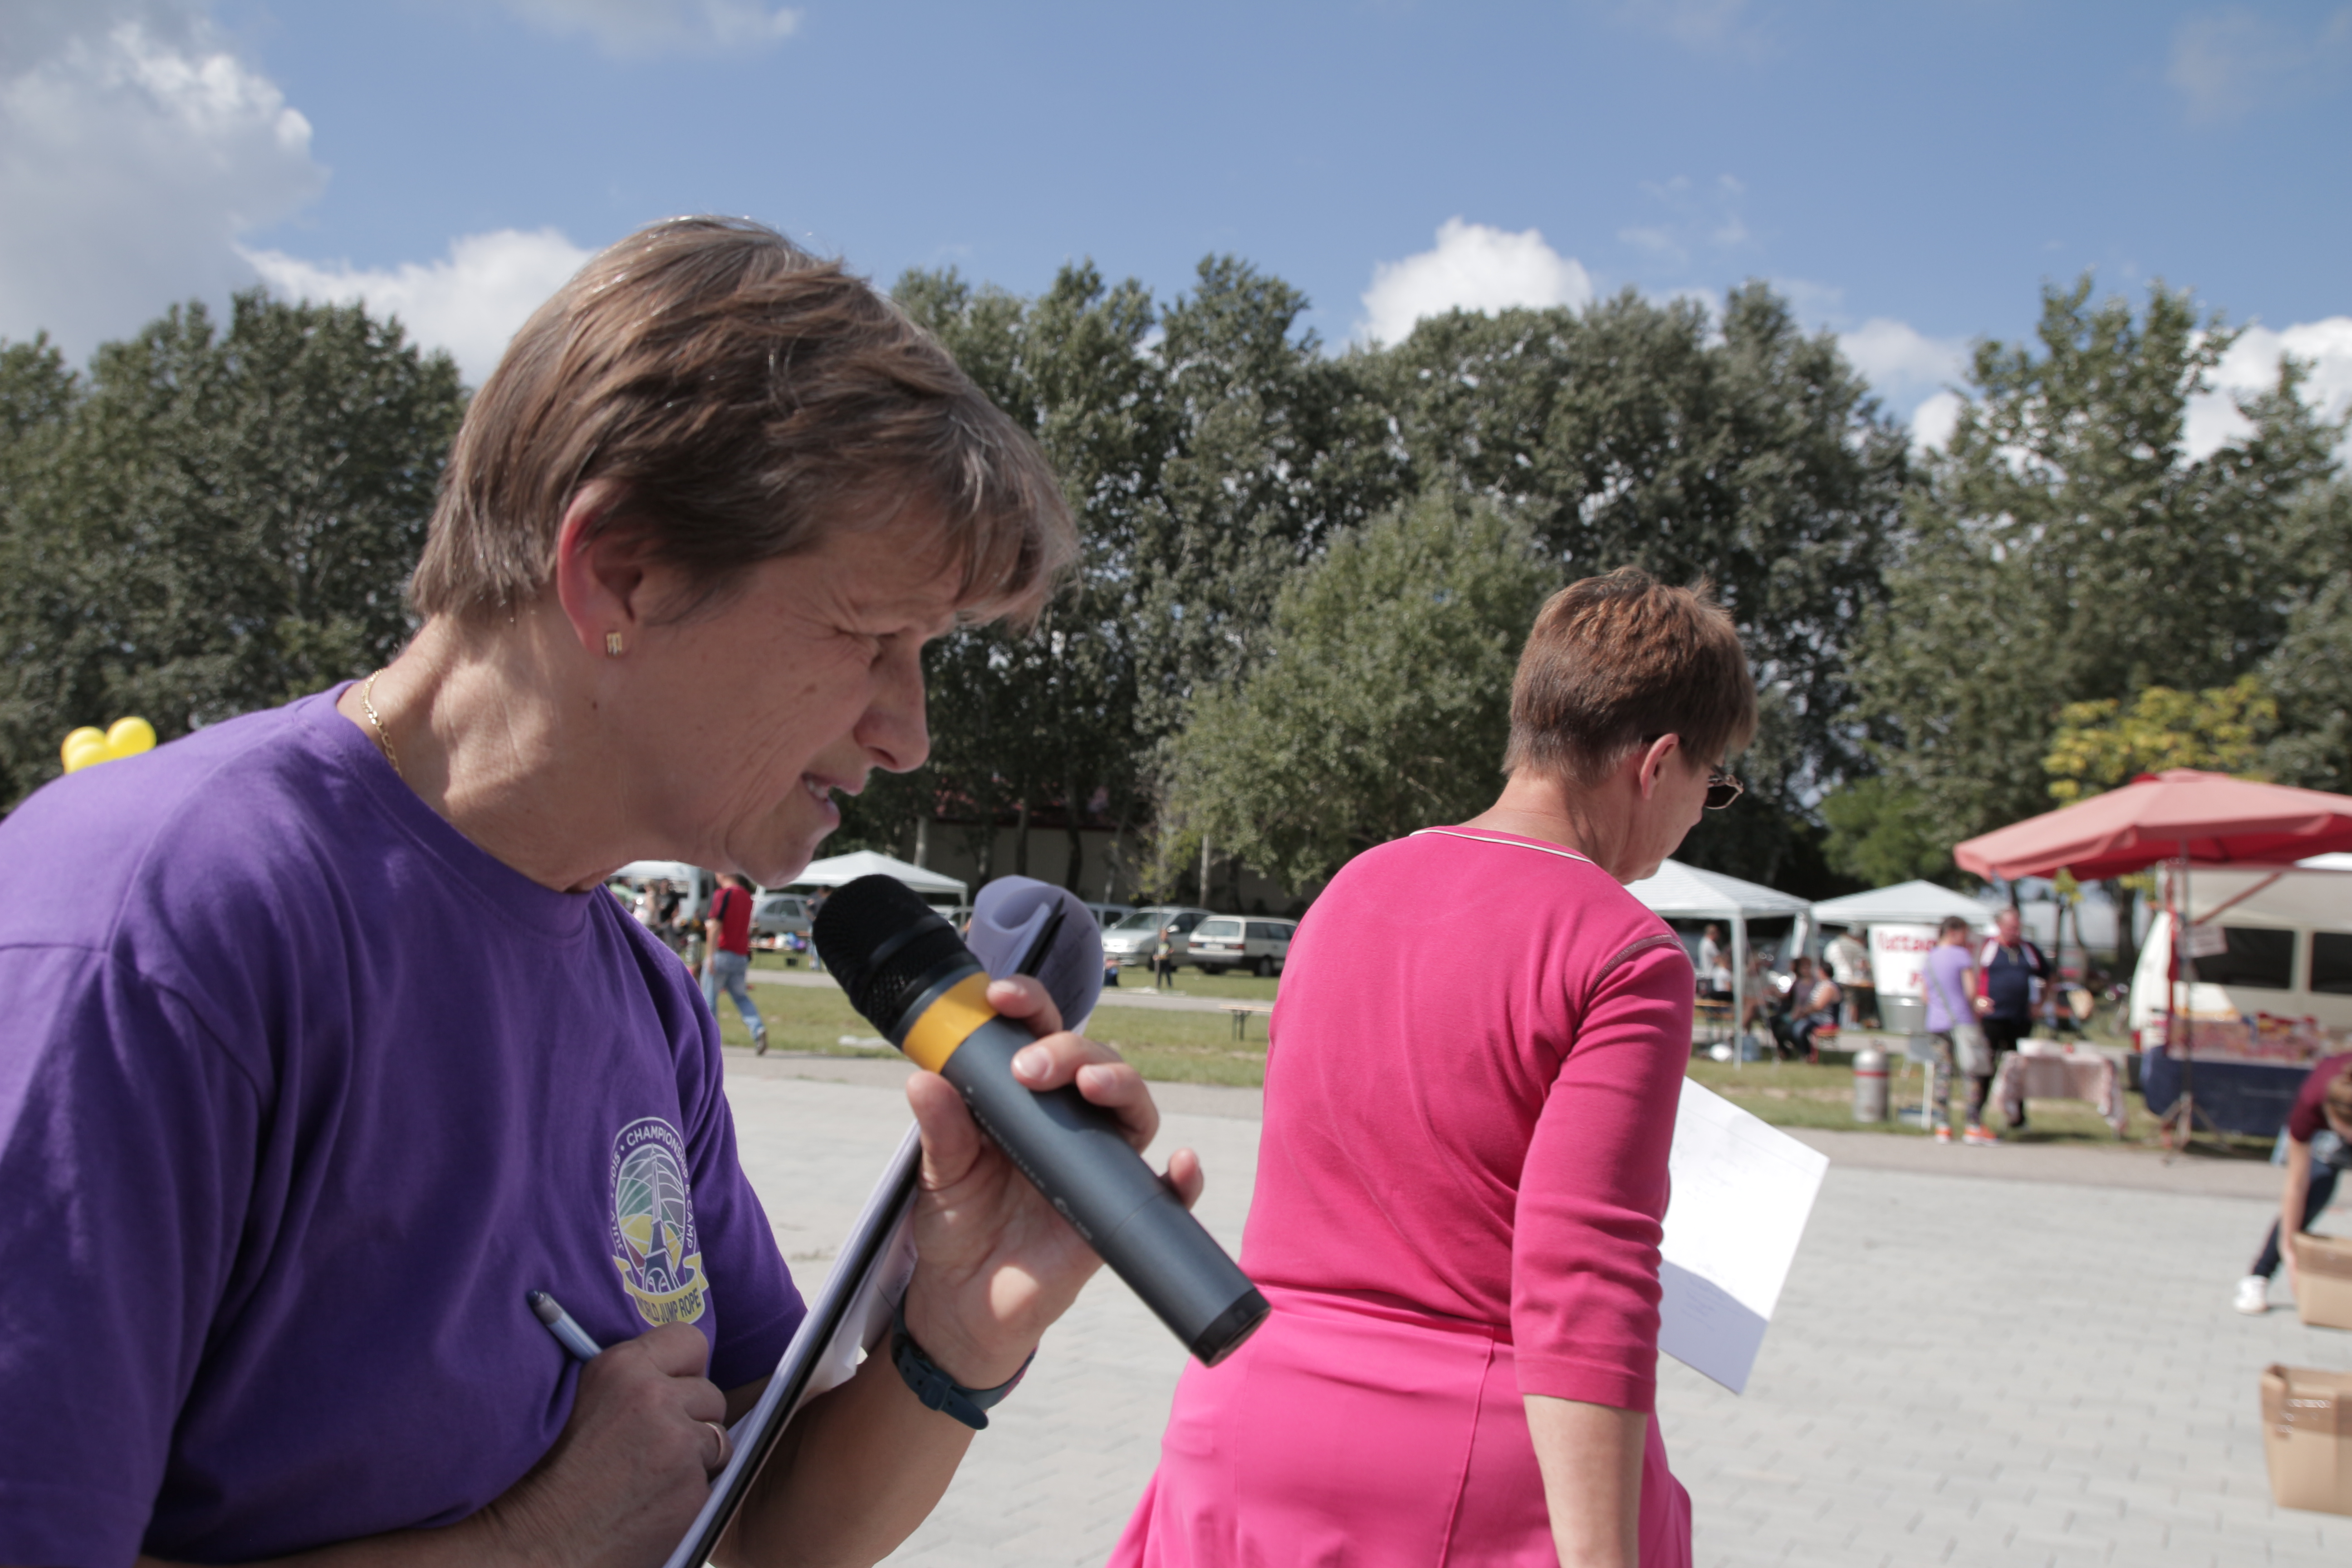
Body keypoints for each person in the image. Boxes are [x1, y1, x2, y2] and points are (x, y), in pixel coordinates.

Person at [0, 216, 1204, 1568]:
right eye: (871, 636)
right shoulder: (152, 931)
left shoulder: (643, 997)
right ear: (619, 571)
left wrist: (958, 1333)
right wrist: (528, 1546)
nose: (908, 733)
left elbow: (761, 1528)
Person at [1112, 568, 1755, 1568]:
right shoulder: (1625, 949)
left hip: (1248, 1414)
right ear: (1658, 762)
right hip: (1459, 1467)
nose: (1698, 816)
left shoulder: (1351, 888)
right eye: (1712, 786)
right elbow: (1583, 1277)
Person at [2234, 1053, 2352, 1314]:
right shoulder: (2310, 1103)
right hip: (2327, 1132)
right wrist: (2290, 1253)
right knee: (2314, 1189)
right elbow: (2296, 1186)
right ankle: (2258, 1278)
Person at [1923, 915, 1995, 1145]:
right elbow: (1971, 991)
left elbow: (1924, 995)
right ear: (1953, 932)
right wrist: (1975, 1009)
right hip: (1962, 1020)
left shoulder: (1930, 958)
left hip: (1936, 1022)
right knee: (1970, 1072)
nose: (1966, 939)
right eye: (1964, 934)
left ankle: (1943, 1125)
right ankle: (1973, 1125)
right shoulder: (1961, 955)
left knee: (1943, 1073)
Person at [1975, 907, 2049, 1123]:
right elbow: (1970, 974)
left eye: (2018, 928)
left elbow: (2049, 975)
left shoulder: (2028, 950)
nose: (2015, 932)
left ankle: (2017, 1116)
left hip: (2020, 1018)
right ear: (1999, 926)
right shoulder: (1987, 948)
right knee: (1986, 1066)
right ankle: (1977, 1113)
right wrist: (1977, 999)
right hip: (1992, 1018)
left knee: (2018, 1069)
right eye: (2011, 928)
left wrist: (2040, 1003)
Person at [703, 869, 769, 1054]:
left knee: (709, 999)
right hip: (740, 954)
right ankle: (758, 1028)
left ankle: (711, 1042)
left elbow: (716, 925)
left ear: (723, 873)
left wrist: (710, 955)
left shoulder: (723, 894)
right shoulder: (747, 896)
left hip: (722, 953)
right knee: (741, 997)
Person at [1770, 956, 1842, 1063]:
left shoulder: (1829, 987)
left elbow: (1818, 1006)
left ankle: (1808, 1054)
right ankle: (1802, 1052)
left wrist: (1803, 1012)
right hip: (1814, 1018)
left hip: (1825, 1021)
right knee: (1788, 1028)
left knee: (1799, 1028)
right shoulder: (1821, 985)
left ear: (1822, 971)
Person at [1824, 926, 1874, 1028]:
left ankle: (1840, 1024)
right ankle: (1852, 1025)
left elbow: (1827, 961)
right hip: (1851, 980)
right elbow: (1865, 963)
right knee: (1852, 1003)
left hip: (1837, 979)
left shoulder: (1833, 945)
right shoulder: (1855, 945)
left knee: (1839, 1005)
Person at [1696, 923, 1730, 1000]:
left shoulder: (1703, 942)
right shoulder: (1709, 944)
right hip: (1710, 974)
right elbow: (1718, 958)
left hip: (1706, 972)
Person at [1152, 923, 1176, 991]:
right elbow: (1155, 951)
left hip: (1166, 960)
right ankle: (1158, 985)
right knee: (1159, 974)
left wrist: (1171, 952)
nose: (1165, 936)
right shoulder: (1158, 943)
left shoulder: (1168, 943)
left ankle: (1170, 985)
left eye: (1166, 935)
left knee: (1168, 973)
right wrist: (1155, 956)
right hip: (1160, 960)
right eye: (1164, 935)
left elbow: (1170, 950)